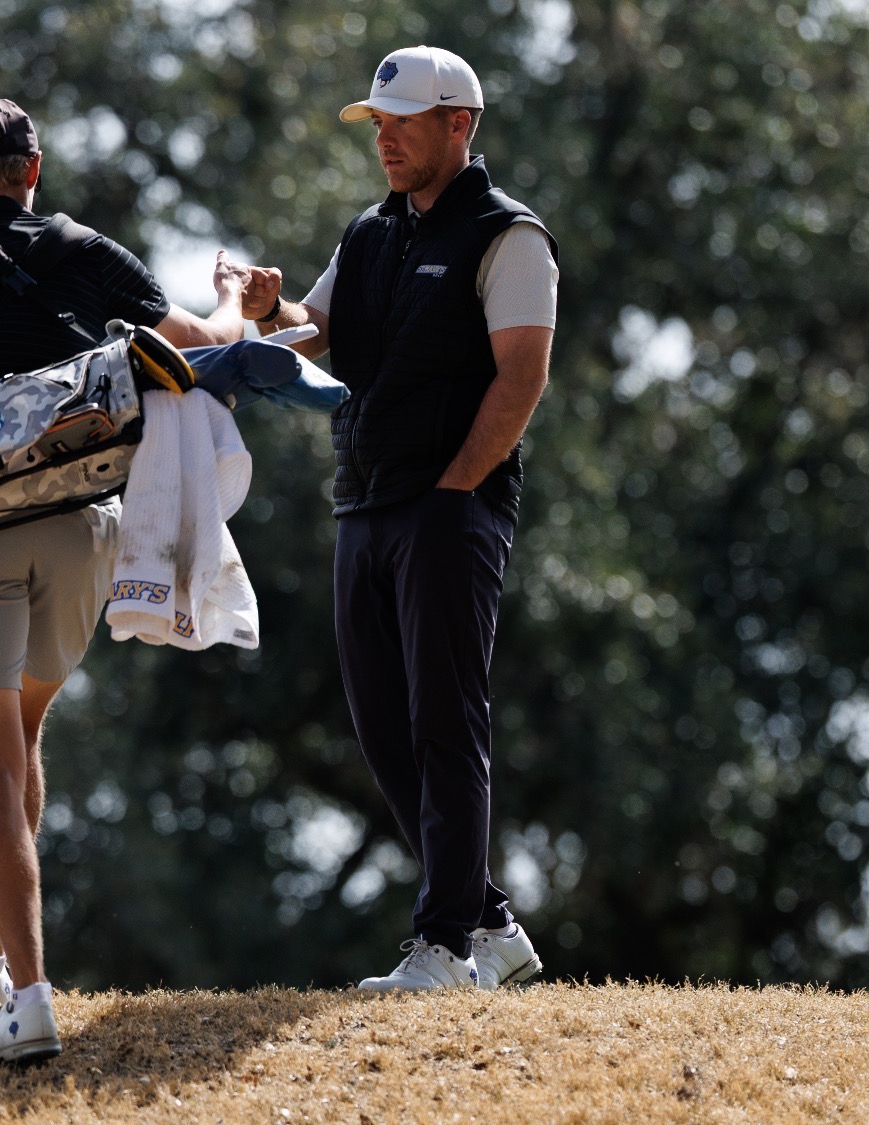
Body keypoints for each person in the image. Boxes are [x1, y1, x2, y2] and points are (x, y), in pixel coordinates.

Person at [0, 96, 277, 1062]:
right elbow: (209, 351)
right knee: (22, 739)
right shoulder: (91, 256)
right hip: (83, 534)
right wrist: (241, 292)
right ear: (34, 170)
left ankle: (28, 998)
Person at [252, 46, 559, 991]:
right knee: (382, 723)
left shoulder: (510, 236)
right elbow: (315, 329)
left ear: (459, 125)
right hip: (365, 501)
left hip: (449, 507)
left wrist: (457, 487)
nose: (383, 138)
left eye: (402, 122)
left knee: (443, 720)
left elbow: (522, 376)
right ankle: (494, 925)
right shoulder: (373, 230)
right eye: (376, 124)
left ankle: (445, 945)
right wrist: (269, 312)